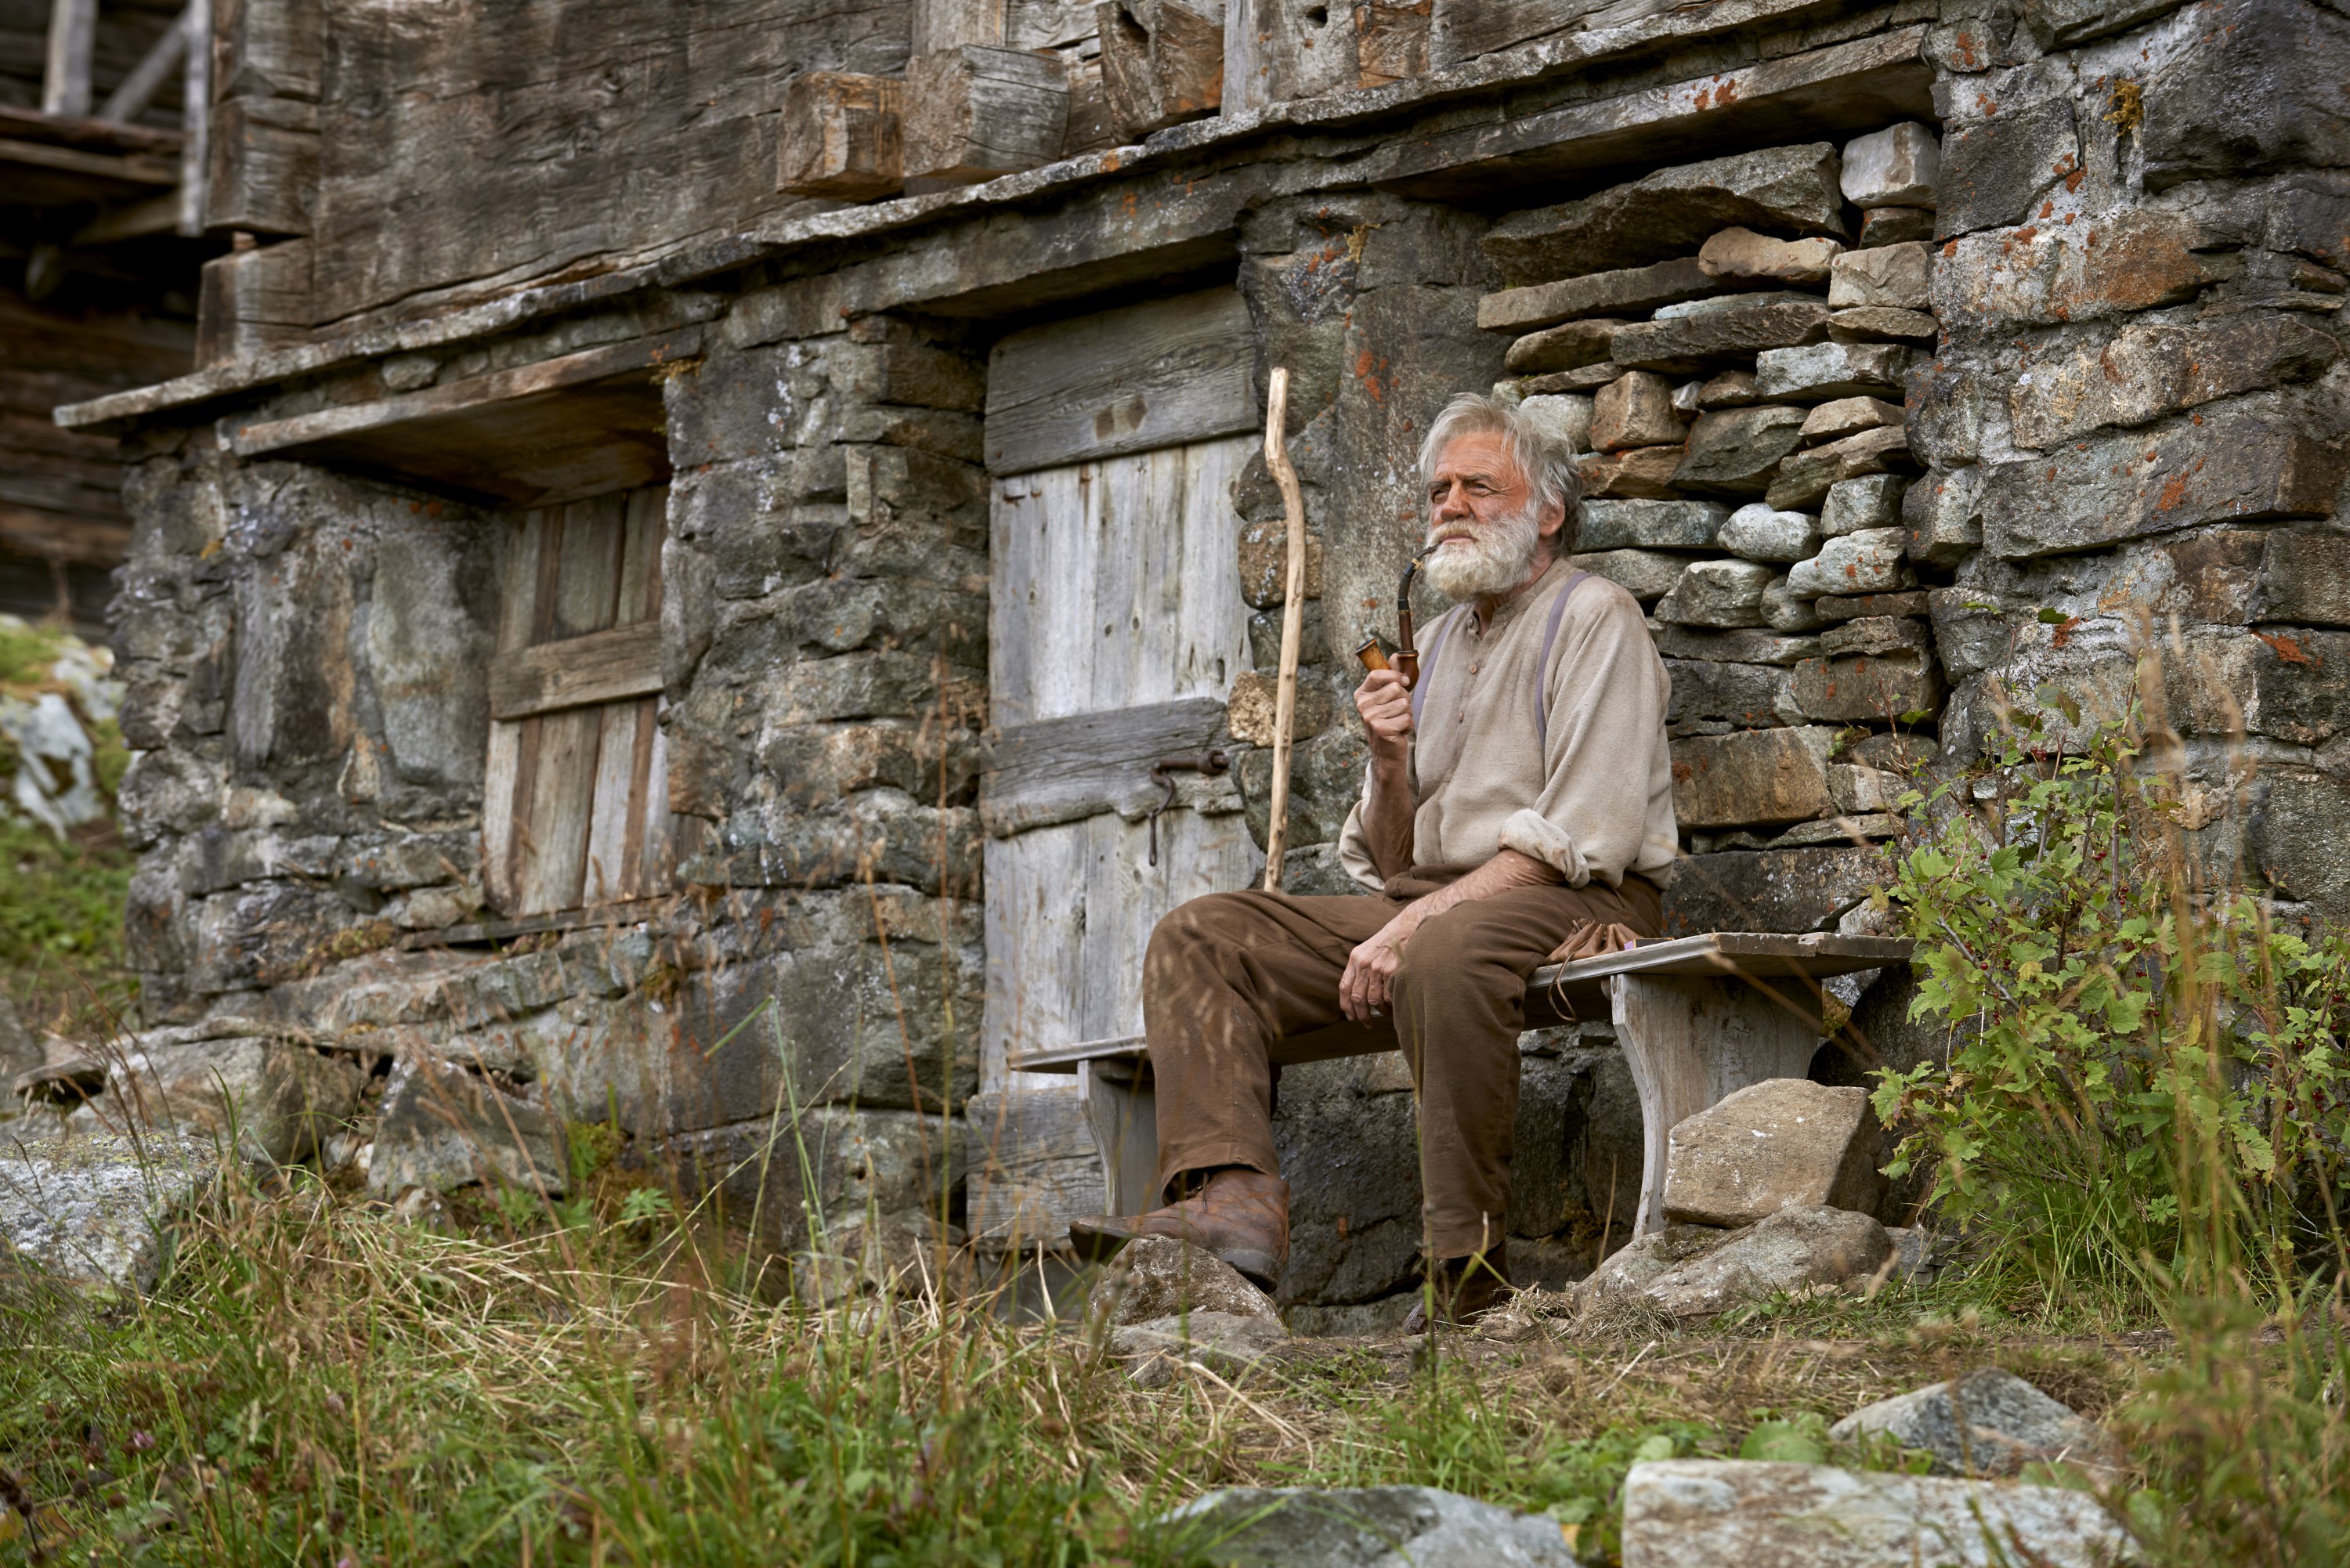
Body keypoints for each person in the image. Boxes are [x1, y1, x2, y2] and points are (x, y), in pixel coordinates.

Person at [1068, 392, 1679, 1326]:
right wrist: (1389, 762)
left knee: (1440, 953)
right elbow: (1389, 863)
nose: (1450, 506)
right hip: (1441, 904)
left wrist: (1413, 923)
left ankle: (1464, 1281)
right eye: (1439, 489)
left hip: (1576, 898)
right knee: (1205, 935)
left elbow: (1579, 839)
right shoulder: (1428, 645)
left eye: (1479, 485)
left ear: (1547, 512)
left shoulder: (1594, 617)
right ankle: (1231, 1198)